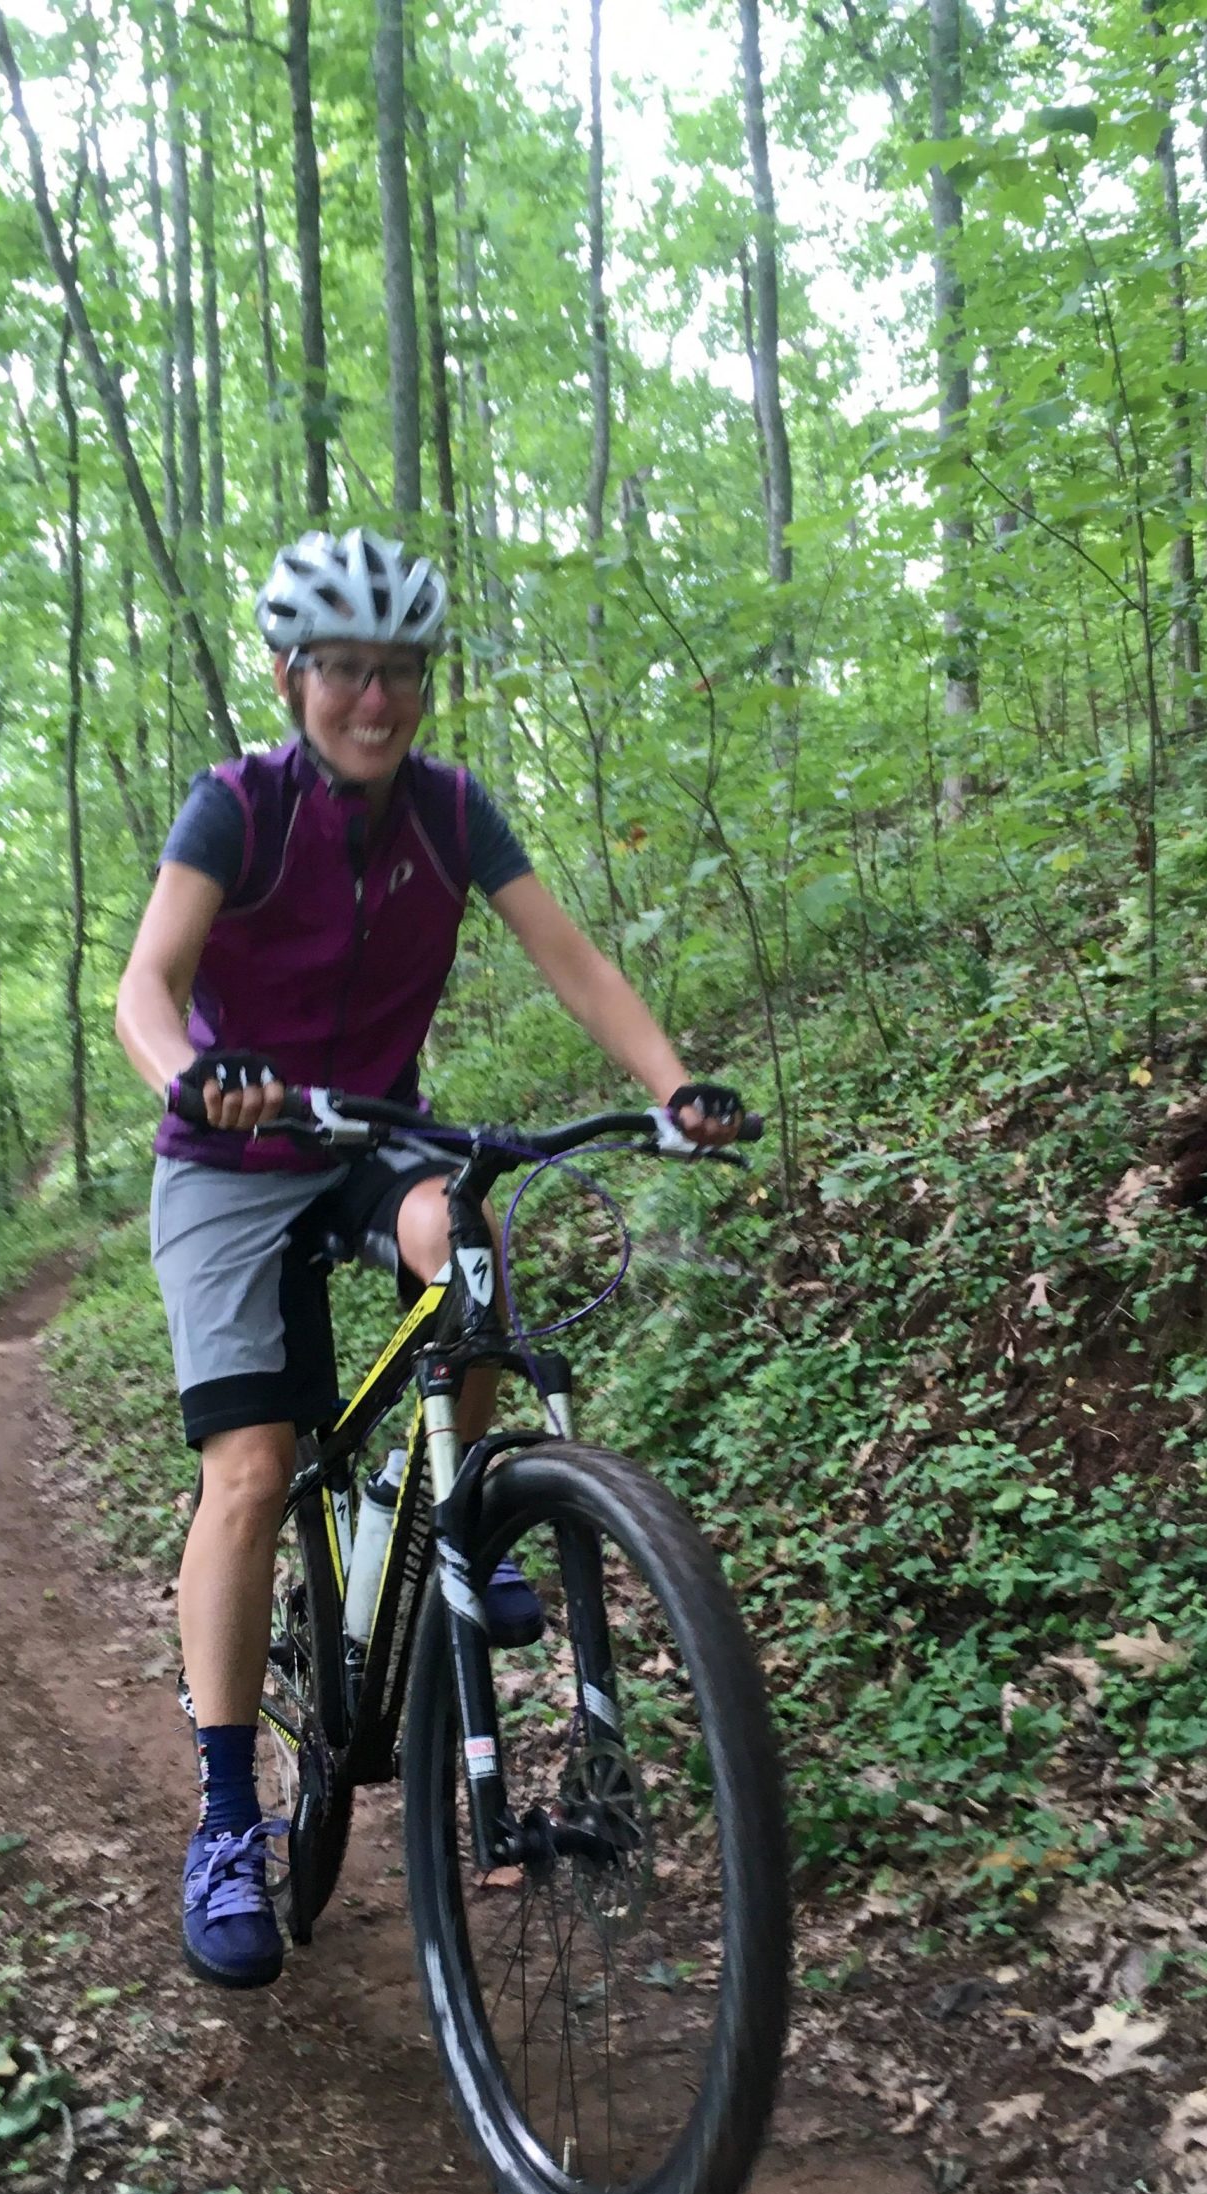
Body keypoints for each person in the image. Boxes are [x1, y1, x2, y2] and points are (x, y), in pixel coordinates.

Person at [114, 528, 745, 1992]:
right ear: (293, 676)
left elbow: (571, 959)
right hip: (225, 1165)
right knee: (255, 1474)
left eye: (402, 672)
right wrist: (189, 1074)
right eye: (347, 670)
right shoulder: (239, 810)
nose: (376, 700)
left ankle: (455, 1516)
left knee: (465, 1233)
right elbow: (148, 981)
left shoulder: (452, 815)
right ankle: (225, 1823)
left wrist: (669, 1085)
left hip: (365, 1137)